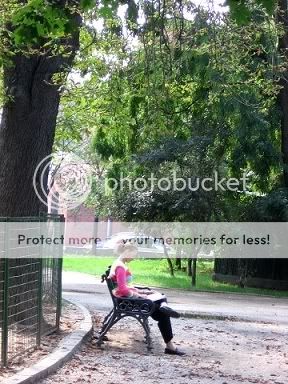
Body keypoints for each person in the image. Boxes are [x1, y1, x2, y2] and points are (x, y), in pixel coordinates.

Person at [109, 241, 186, 356]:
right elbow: (123, 290)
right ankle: (170, 345)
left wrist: (141, 291)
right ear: (127, 252)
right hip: (127, 301)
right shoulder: (120, 267)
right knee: (162, 312)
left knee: (160, 297)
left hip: (126, 299)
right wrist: (140, 296)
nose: (134, 258)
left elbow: (125, 287)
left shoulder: (119, 263)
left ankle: (163, 307)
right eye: (133, 255)